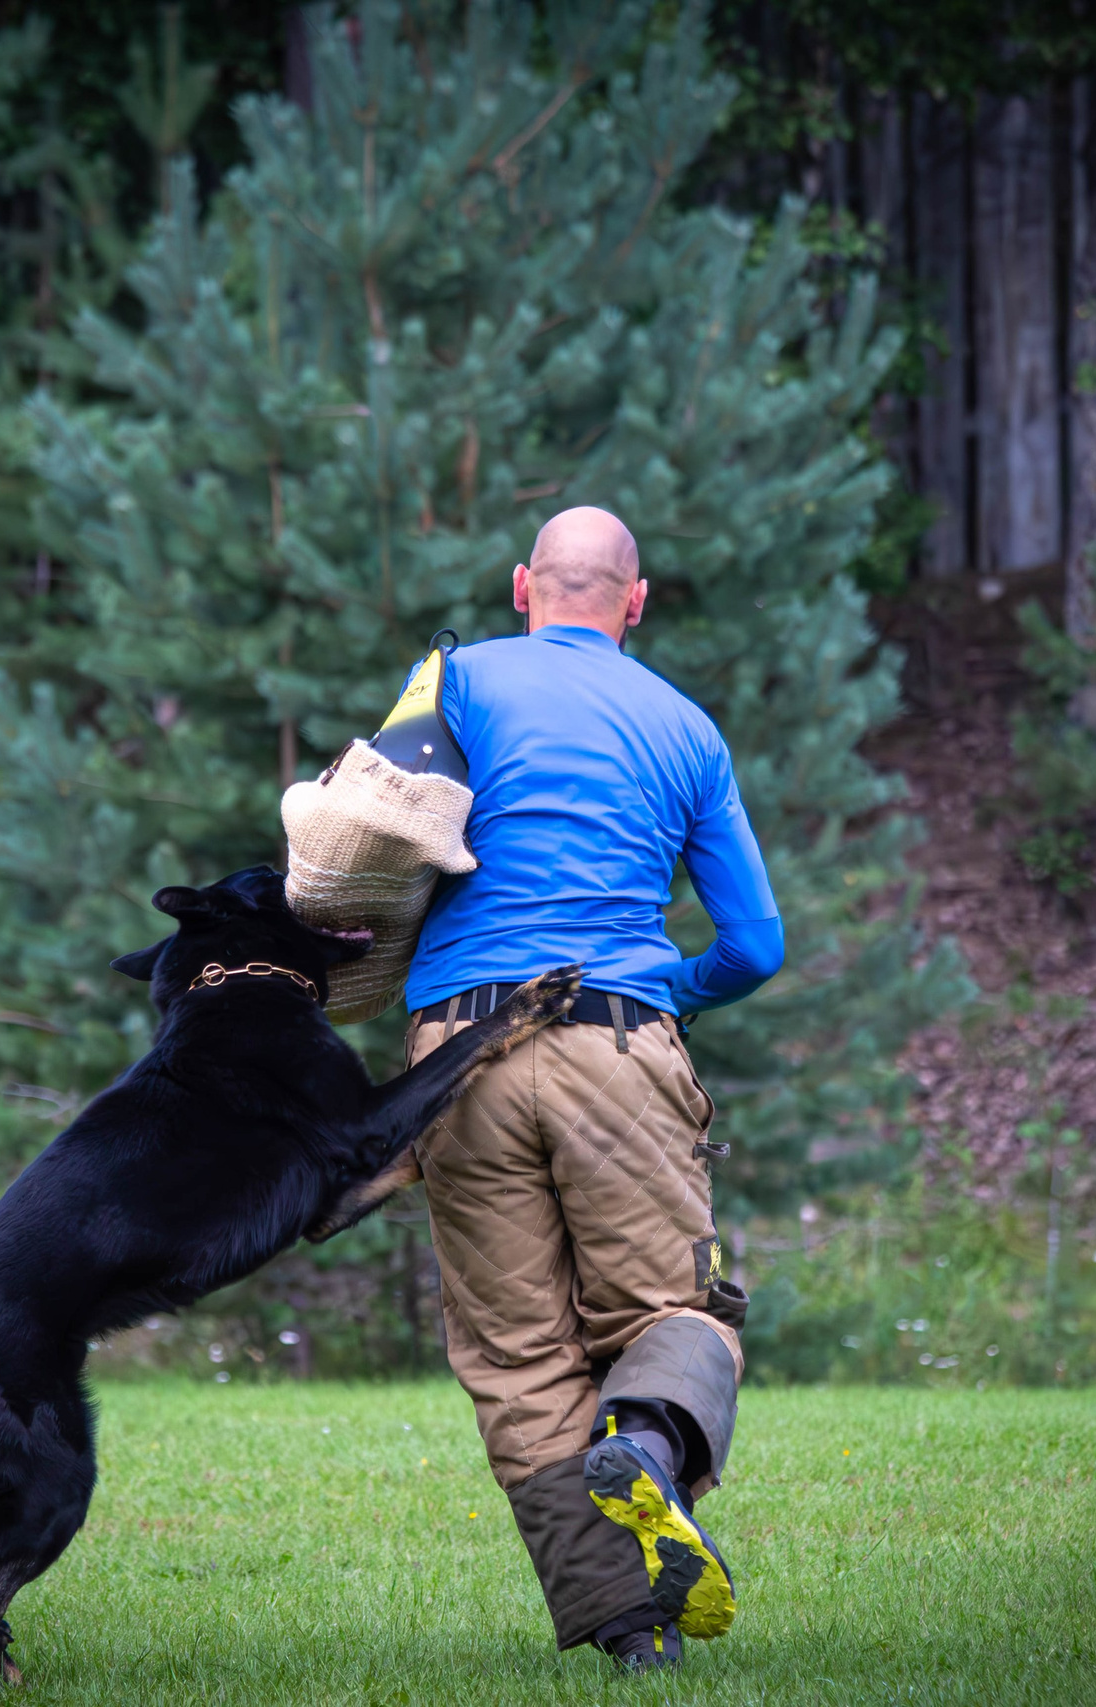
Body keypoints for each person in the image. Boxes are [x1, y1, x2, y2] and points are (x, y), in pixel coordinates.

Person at [399, 506, 783, 1672]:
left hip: (456, 1055)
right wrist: (669, 987)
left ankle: (631, 1635)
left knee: (517, 1357)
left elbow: (368, 834)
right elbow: (754, 945)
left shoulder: (453, 678)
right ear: (635, 599)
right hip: (615, 1040)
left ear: (523, 587)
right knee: (669, 1312)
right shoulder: (684, 725)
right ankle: (651, 1450)